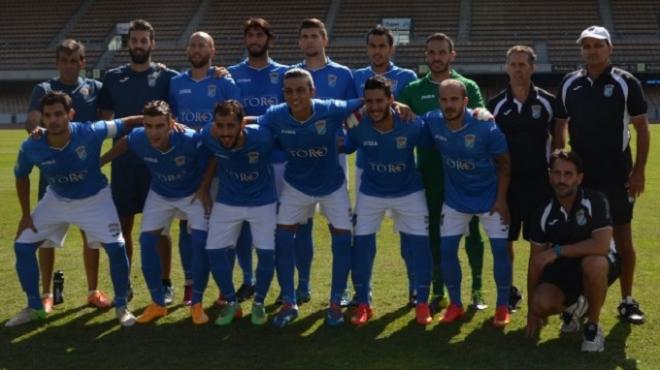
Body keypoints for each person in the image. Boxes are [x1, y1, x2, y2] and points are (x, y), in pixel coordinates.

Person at [7, 91, 142, 327]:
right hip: (56, 199)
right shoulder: (32, 146)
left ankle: (121, 306)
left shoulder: (90, 131)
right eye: (48, 115)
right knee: (22, 246)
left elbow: (127, 122)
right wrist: (26, 215)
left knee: (117, 247)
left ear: (70, 114)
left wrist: (164, 120)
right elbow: (21, 177)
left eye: (59, 114)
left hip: (95, 199)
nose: (53, 120)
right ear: (43, 119)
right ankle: (34, 307)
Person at [554, 26, 650, 324]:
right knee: (581, 237)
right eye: (586, 46)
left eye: (598, 45)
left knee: (622, 237)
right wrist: (560, 169)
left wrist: (638, 172)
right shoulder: (570, 82)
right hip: (580, 179)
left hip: (616, 176)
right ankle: (580, 301)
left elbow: (642, 129)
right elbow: (559, 127)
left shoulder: (626, 82)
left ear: (610, 48)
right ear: (581, 50)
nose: (591, 51)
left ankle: (627, 300)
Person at [258, 68, 363, 327]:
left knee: (342, 241)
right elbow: (251, 125)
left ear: (312, 91)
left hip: (332, 186)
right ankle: (289, 302)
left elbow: (364, 101)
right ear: (283, 93)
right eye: (289, 91)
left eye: (301, 90)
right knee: (283, 239)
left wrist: (399, 104)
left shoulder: (330, 108)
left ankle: (336, 302)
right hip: (296, 187)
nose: (295, 96)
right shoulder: (275, 115)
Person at [100, 101, 212, 324]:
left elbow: (212, 157)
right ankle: (158, 304)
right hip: (160, 194)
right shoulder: (139, 137)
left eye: (160, 126)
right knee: (147, 241)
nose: (154, 132)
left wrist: (203, 188)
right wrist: (100, 162)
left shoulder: (189, 139)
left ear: (171, 123)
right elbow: (125, 142)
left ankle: (197, 304)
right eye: (149, 125)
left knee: (200, 242)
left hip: (192, 194)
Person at [398, 33, 488, 312]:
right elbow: (396, 117)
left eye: (441, 52)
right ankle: (438, 288)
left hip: (465, 172)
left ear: (452, 55)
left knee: (472, 230)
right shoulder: (413, 89)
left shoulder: (467, 86)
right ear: (426, 56)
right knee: (434, 232)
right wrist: (397, 106)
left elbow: (481, 115)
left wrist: (483, 113)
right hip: (430, 173)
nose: (436, 57)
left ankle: (477, 288)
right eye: (431, 53)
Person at [24, 39, 110, 312]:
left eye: (75, 60)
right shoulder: (45, 89)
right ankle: (46, 293)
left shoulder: (94, 88)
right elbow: (33, 119)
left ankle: (93, 291)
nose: (70, 65)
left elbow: (104, 120)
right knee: (46, 236)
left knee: (90, 234)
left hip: (87, 175)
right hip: (53, 175)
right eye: (64, 60)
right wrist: (36, 128)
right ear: (57, 63)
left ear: (83, 62)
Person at [98, 19, 180, 304]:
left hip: (157, 165)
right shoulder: (112, 77)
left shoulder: (168, 77)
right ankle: (125, 284)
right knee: (123, 227)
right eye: (134, 40)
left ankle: (165, 282)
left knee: (160, 228)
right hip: (123, 163)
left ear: (152, 44)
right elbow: (105, 120)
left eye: (144, 40)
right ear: (128, 44)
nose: (139, 45)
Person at [344, 76, 433, 326]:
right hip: (371, 192)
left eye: (380, 101)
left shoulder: (409, 123)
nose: (374, 106)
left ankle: (422, 302)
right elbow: (345, 145)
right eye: (369, 101)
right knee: (361, 245)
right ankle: (363, 303)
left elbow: (430, 138)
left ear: (391, 100)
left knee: (419, 246)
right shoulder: (358, 124)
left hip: (409, 192)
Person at [424, 79, 512, 327]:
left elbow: (504, 164)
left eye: (454, 99)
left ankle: (503, 305)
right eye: (444, 100)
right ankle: (455, 304)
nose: (449, 105)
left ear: (465, 101)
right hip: (456, 200)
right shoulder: (433, 121)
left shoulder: (486, 127)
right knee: (447, 250)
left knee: (500, 251)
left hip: (490, 199)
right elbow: (406, 122)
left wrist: (502, 200)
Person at [167, 31, 240, 305]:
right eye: (193, 45)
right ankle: (190, 283)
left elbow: (238, 115)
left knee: (225, 225)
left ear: (213, 50)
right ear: (188, 50)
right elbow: (169, 118)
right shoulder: (175, 82)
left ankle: (224, 286)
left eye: (203, 45)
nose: (197, 49)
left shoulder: (224, 81)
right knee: (188, 224)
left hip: (221, 164)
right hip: (189, 164)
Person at [526, 150, 621, 353]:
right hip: (566, 266)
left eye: (568, 174)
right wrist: (530, 310)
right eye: (557, 173)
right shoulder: (542, 213)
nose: (562, 180)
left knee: (593, 263)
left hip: (601, 262)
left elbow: (601, 246)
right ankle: (575, 306)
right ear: (550, 175)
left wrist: (558, 251)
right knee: (541, 303)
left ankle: (592, 326)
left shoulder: (596, 200)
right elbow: (536, 262)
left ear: (579, 178)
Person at [291, 18, 358, 305]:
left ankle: (341, 288)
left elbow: (356, 116)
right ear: (299, 42)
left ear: (325, 40)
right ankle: (303, 284)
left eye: (314, 36)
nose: (309, 41)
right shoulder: (291, 74)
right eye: (304, 36)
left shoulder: (343, 74)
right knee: (301, 228)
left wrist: (348, 143)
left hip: (334, 163)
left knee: (338, 226)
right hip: (300, 164)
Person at [488, 45, 555, 312]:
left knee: (539, 243)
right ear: (506, 67)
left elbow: (559, 140)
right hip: (507, 186)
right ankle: (509, 291)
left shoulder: (549, 102)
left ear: (532, 67)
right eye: (513, 64)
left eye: (523, 64)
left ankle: (538, 290)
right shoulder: (495, 106)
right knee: (505, 242)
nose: (517, 69)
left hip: (540, 185)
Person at [227, 17, 289, 302]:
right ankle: (249, 279)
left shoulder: (285, 73)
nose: (254, 40)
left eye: (259, 35)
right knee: (242, 224)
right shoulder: (230, 74)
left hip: (277, 159)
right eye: (249, 35)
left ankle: (287, 283)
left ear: (269, 39)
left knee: (283, 223)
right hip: (241, 160)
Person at [200, 100, 277, 326]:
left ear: (242, 125)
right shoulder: (208, 135)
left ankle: (259, 303)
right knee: (214, 251)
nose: (224, 132)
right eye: (220, 125)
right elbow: (208, 151)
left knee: (265, 255)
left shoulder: (262, 137)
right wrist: (203, 187)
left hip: (262, 201)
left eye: (230, 126)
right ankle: (232, 303)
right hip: (228, 201)